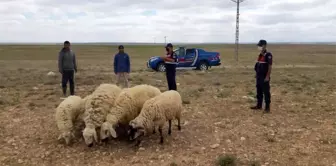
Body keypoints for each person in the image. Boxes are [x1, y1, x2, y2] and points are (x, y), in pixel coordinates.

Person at [250, 39, 273, 113]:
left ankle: (267, 108)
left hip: (264, 77)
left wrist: (267, 76)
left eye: (260, 46)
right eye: (258, 46)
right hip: (259, 77)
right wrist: (256, 74)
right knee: (259, 91)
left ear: (264, 46)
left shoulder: (268, 55)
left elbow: (269, 66)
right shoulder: (260, 55)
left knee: (266, 92)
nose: (259, 47)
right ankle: (259, 105)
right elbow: (258, 65)